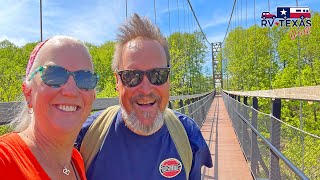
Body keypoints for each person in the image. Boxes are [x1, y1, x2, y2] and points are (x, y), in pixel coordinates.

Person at [76, 14, 212, 180]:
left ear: (168, 79)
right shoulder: (85, 137)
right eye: (132, 76)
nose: (146, 89)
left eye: (157, 75)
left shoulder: (188, 136)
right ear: (117, 82)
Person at [0, 35, 99, 180]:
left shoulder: (75, 161)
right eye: (54, 75)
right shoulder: (5, 159)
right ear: (28, 93)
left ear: (93, 97)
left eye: (85, 78)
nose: (70, 91)